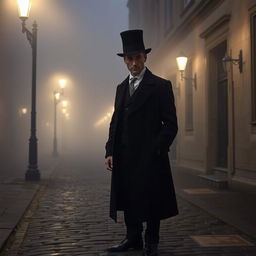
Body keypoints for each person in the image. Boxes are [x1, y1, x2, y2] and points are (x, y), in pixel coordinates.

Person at [105, 29, 178, 256]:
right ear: (125, 61)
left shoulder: (160, 86)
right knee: (128, 196)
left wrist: (156, 148)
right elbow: (115, 121)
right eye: (129, 58)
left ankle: (151, 241)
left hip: (150, 156)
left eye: (138, 57)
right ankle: (132, 238)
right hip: (125, 155)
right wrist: (109, 150)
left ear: (145, 57)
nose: (134, 63)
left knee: (152, 198)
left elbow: (171, 124)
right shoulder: (120, 88)